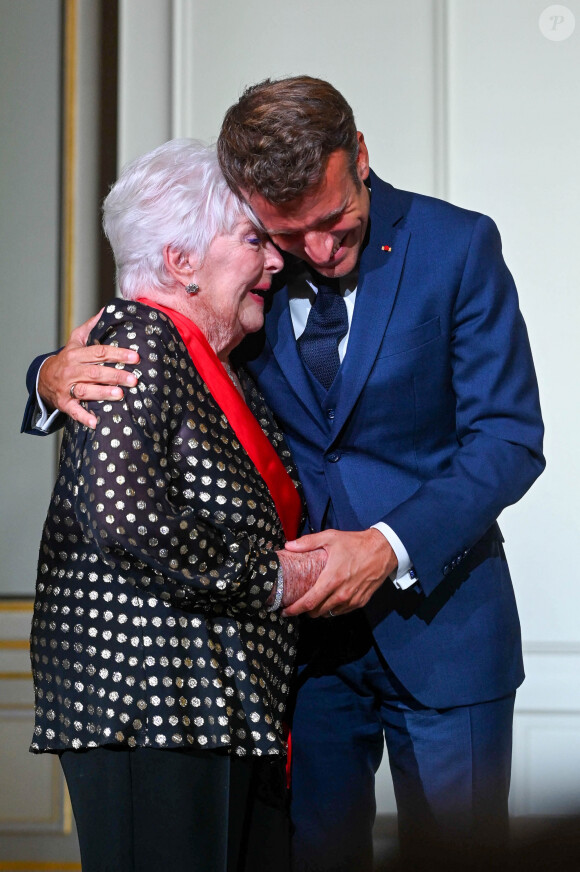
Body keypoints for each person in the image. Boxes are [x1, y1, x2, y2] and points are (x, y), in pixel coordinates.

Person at [23, 77, 545, 871]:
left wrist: (387, 547)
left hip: (445, 631)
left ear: (360, 157)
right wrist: (47, 374)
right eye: (289, 234)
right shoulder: (252, 270)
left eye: (335, 221)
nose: (321, 252)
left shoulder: (458, 245)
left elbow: (508, 439)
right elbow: (151, 342)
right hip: (301, 656)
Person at [27, 138, 325, 872]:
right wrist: (272, 580)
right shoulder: (138, 346)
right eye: (254, 240)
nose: (276, 261)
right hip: (154, 709)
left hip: (206, 711)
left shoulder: (204, 358)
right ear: (180, 261)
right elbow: (125, 516)